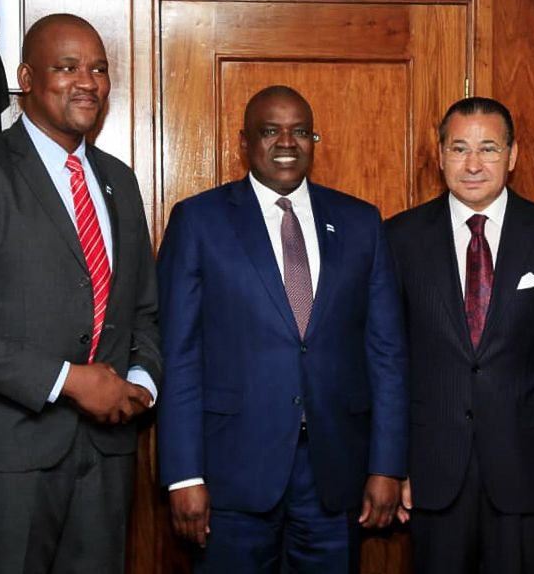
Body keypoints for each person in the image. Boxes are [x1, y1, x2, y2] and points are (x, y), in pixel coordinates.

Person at [0, 13, 161, 573]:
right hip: (2, 461)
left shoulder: (120, 180)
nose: (88, 82)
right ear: (26, 76)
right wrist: (67, 380)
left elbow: (144, 310)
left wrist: (140, 382)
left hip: (105, 457)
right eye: (67, 67)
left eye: (98, 69)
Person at [156, 85, 408, 573]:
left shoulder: (361, 222)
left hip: (335, 473)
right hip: (232, 475)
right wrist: (183, 475)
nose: (286, 142)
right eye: (270, 131)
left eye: (299, 131)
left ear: (315, 140)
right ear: (243, 142)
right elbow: (180, 356)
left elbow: (387, 353)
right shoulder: (198, 221)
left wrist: (387, 464)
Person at [385, 97, 534, 573]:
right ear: (440, 156)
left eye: (489, 149)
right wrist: (394, 465)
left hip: (527, 467)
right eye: (459, 149)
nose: (473, 164)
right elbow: (390, 362)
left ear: (512, 156)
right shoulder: (399, 237)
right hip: (432, 468)